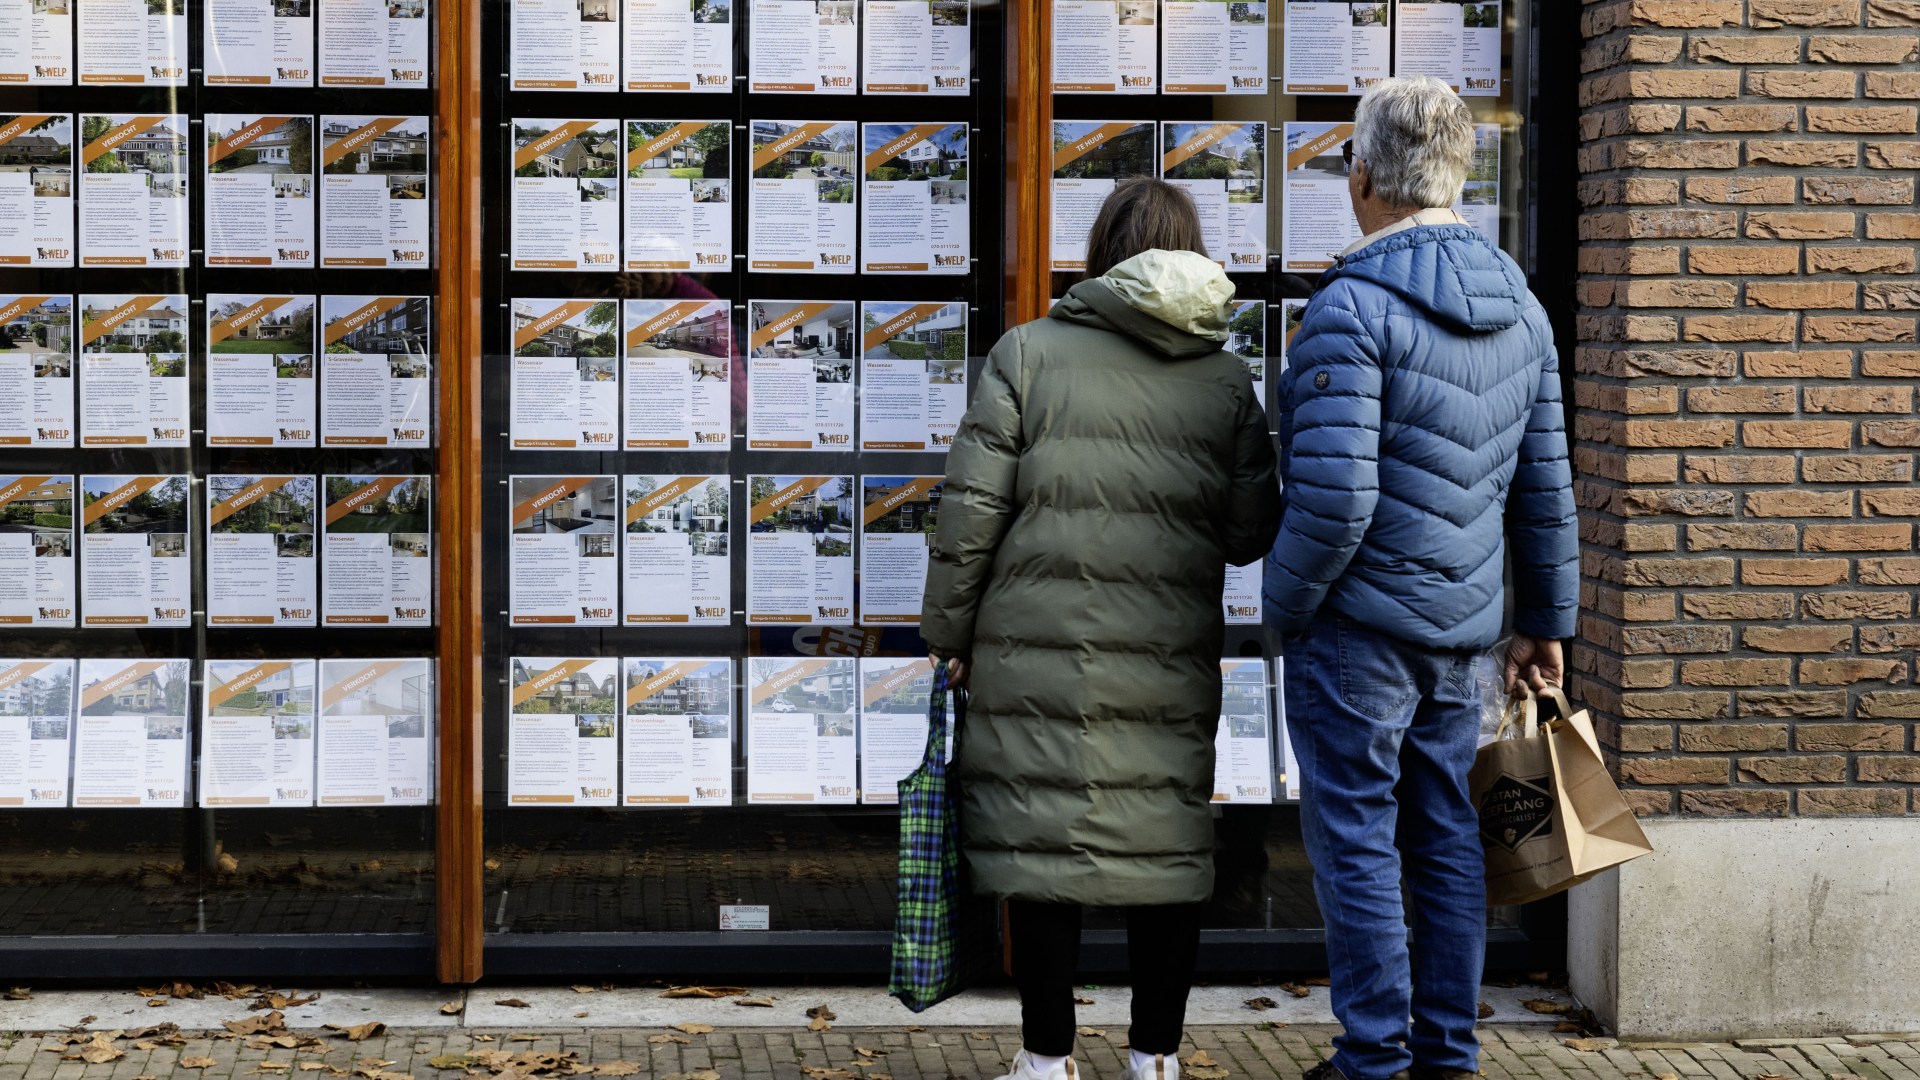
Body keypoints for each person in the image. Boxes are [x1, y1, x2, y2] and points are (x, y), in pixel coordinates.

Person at [921, 177, 1281, 1080]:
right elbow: (1249, 534)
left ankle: (1046, 1061)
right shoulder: (1226, 378)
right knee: (1163, 848)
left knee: (1045, 847)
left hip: (1033, 656)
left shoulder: (1028, 354)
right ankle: (1154, 1057)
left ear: (1101, 254)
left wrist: (949, 637)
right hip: (1165, 659)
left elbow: (969, 518)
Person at [1262, 76, 1578, 1080]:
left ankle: (1372, 1059)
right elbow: (1546, 487)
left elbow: (1333, 504)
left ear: (1362, 176)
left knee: (1355, 837)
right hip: (1465, 630)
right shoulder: (1521, 307)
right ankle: (1447, 1054)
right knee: (1444, 832)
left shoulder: (1352, 307)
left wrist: (1283, 610)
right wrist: (1546, 619)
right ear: (1458, 177)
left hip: (1355, 630)